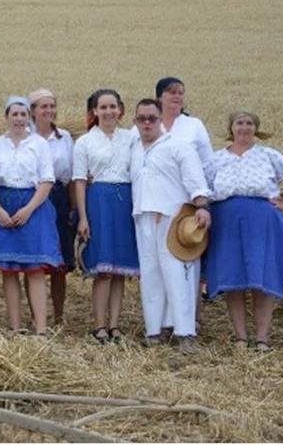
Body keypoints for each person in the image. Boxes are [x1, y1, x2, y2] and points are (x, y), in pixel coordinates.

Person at [204, 110, 283, 351]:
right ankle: (240, 336)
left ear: (255, 129)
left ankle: (262, 338)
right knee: (233, 279)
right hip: (226, 223)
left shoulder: (267, 155)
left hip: (262, 223)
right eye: (240, 123)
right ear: (232, 128)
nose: (245, 127)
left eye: (250, 123)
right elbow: (201, 185)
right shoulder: (216, 159)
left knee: (262, 278)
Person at [130, 99, 212, 354]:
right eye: (141, 118)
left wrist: (202, 206)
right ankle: (156, 329)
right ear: (135, 122)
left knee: (179, 275)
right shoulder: (134, 149)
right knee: (151, 275)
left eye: (151, 118)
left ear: (159, 120)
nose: (146, 123)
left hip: (173, 218)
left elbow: (194, 178)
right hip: (143, 216)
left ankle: (185, 332)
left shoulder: (177, 146)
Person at [0, 96, 61, 336]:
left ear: (29, 117)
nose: (18, 119)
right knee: (9, 270)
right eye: (14, 114)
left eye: (23, 114)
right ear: (6, 117)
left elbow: (47, 180)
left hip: (33, 206)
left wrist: (28, 209)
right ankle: (15, 327)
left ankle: (40, 328)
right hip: (3, 206)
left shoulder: (39, 144)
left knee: (35, 269)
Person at [73, 88, 138, 344]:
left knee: (119, 269)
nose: (109, 111)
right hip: (99, 202)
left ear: (121, 109)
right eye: (103, 107)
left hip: (125, 201)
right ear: (94, 111)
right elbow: (79, 181)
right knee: (103, 269)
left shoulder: (131, 138)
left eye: (113, 106)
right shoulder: (85, 142)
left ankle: (115, 325)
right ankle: (99, 324)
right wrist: (83, 217)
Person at [29, 88, 77, 326]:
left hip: (57, 197)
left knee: (59, 261)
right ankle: (35, 316)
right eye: (43, 107)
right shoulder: (24, 136)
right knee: (32, 261)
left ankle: (58, 317)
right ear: (33, 111)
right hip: (31, 198)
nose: (48, 111)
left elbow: (70, 175)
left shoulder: (64, 138)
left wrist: (72, 208)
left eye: (51, 106)